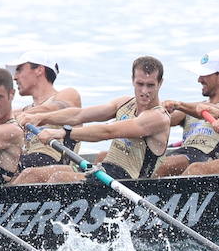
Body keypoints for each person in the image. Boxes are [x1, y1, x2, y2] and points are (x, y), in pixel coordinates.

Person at [15, 56, 171, 184]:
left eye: (150, 85)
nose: (144, 91)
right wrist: (40, 117)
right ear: (132, 80)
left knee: (59, 178)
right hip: (104, 171)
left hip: (129, 182)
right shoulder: (124, 103)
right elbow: (79, 115)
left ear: (160, 83)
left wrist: (63, 132)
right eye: (140, 84)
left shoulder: (158, 117)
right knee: (31, 174)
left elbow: (108, 131)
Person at [155, 49, 219, 176]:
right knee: (155, 163)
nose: (199, 79)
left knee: (170, 163)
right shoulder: (190, 109)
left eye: (205, 74)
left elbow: (215, 111)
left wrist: (179, 105)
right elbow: (159, 122)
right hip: (185, 154)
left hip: (209, 161)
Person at [9, 48, 82, 175]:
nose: (15, 77)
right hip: (27, 165)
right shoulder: (23, 111)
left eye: (19, 69)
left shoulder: (68, 94)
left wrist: (26, 116)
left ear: (39, 70)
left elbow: (56, 106)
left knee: (27, 171)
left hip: (58, 170)